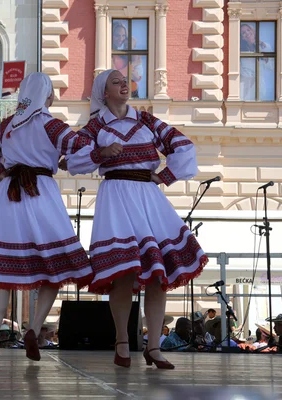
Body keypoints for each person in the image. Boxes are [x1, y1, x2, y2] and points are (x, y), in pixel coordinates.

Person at [0, 72, 93, 366]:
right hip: (41, 193)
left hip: (9, 196)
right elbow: (83, 147)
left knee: (0, 276)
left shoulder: (6, 126)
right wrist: (67, 162)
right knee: (56, 268)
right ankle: (34, 329)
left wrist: (0, 171)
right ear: (47, 97)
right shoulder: (51, 125)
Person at [64, 69, 206, 369]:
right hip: (116, 195)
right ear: (104, 92)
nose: (124, 85)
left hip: (146, 195)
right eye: (116, 82)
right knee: (123, 275)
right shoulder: (95, 126)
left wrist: (163, 175)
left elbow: (183, 146)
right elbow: (73, 160)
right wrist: (101, 153)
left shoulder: (145, 120)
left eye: (125, 81)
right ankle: (122, 341)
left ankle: (153, 346)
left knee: (158, 276)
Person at [240, 23, 275, 101]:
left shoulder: (265, 46)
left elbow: (272, 67)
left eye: (248, 30)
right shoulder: (241, 51)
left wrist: (265, 57)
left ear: (252, 30)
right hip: (245, 85)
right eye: (243, 33)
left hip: (259, 86)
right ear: (242, 38)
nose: (247, 33)